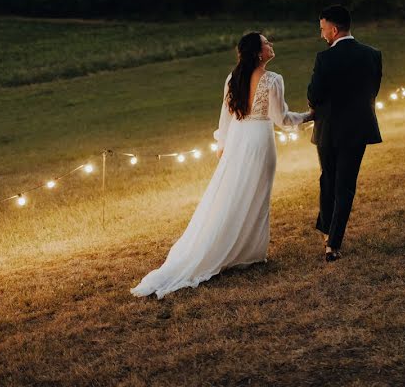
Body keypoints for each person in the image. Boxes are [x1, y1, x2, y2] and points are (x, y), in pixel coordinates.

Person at [131, 32, 311, 298]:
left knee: (232, 195)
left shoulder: (232, 78)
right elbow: (281, 119)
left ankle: (241, 249)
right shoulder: (273, 79)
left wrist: (222, 145)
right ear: (258, 52)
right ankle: (247, 252)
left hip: (238, 140)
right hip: (260, 141)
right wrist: (310, 115)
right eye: (266, 43)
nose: (271, 45)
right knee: (256, 196)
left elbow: (224, 120)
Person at [307, 5, 382, 262]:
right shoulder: (373, 55)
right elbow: (373, 90)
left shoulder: (325, 58)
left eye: (323, 29)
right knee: (345, 186)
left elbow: (314, 95)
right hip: (358, 129)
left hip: (328, 130)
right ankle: (332, 241)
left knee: (328, 179)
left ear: (334, 29)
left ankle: (329, 233)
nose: (322, 35)